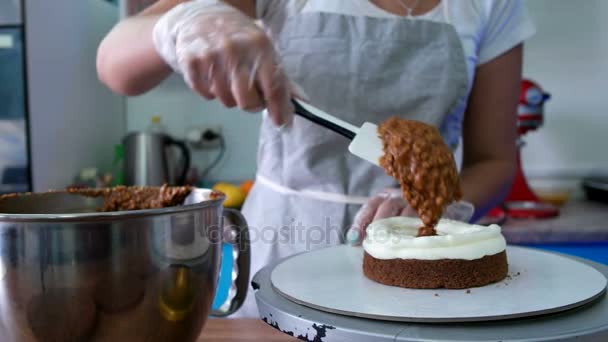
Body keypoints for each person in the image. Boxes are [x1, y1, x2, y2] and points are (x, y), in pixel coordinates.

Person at [97, 0, 535, 317]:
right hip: (283, 242)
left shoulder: (491, 5)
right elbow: (115, 66)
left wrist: (436, 200)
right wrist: (183, 20)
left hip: (417, 256)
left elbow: (493, 160)